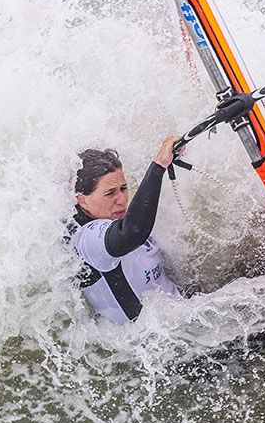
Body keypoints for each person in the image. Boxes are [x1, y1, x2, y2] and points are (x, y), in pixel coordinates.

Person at [67, 136, 184, 322]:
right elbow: (132, 233)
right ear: (82, 200)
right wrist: (158, 166)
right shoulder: (87, 239)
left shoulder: (122, 216)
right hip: (155, 336)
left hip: (186, 312)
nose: (122, 200)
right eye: (110, 193)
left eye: (123, 188)